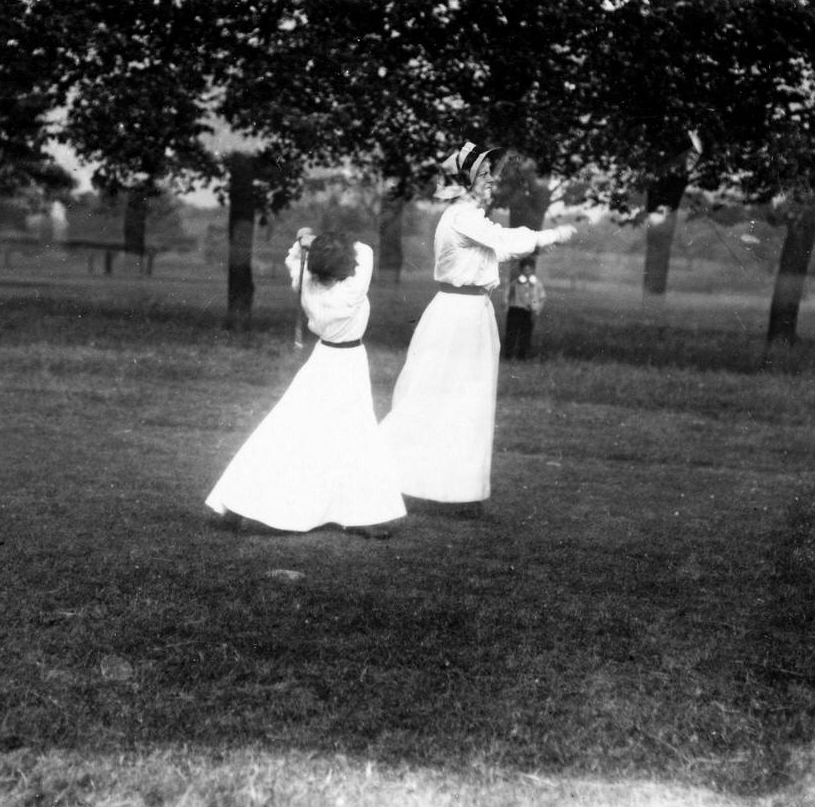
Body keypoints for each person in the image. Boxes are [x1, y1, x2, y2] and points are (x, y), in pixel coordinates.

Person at [380, 141, 578, 510]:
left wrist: (538, 244)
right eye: (485, 175)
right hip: (457, 315)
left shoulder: (469, 217)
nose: (492, 181)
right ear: (466, 181)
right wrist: (546, 236)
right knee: (436, 396)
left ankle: (457, 491)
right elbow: (504, 240)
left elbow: (495, 250)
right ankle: (388, 476)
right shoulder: (463, 217)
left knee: (468, 400)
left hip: (471, 314)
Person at [206, 229, 406, 537]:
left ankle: (237, 504)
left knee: (287, 430)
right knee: (356, 436)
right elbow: (365, 251)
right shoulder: (350, 291)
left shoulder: (308, 285)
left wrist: (305, 244)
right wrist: (318, 242)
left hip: (322, 361)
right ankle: (361, 515)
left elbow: (293, 259)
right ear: (344, 268)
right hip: (347, 364)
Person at [502, 256, 546, 361]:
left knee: (525, 334)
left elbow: (539, 298)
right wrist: (506, 304)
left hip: (528, 311)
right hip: (515, 309)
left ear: (532, 270)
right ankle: (509, 356)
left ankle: (522, 356)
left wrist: (536, 309)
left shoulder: (536, 284)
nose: (527, 272)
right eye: (524, 269)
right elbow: (507, 294)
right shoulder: (515, 282)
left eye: (529, 269)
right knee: (512, 333)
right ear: (521, 270)